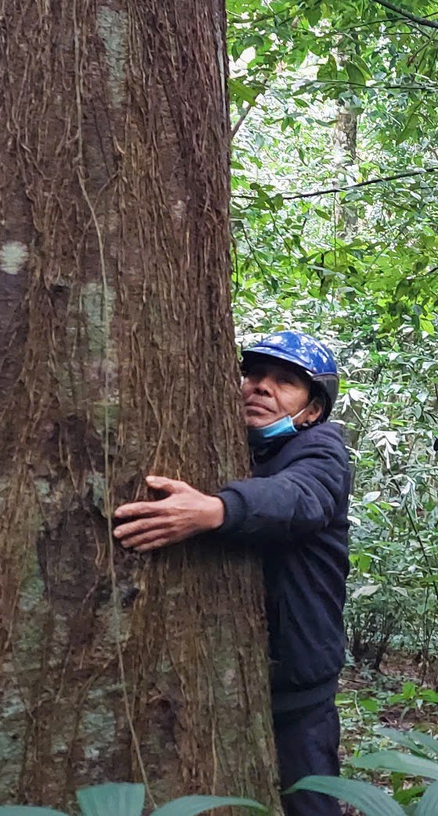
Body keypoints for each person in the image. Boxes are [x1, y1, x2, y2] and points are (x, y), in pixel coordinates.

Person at [112, 331, 350, 814]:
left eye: (285, 382)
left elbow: (301, 499)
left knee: (309, 804)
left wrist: (216, 510)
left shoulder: (322, 450)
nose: (261, 387)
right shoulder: (232, 447)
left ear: (312, 411)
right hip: (232, 675)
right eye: (255, 374)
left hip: (299, 685)